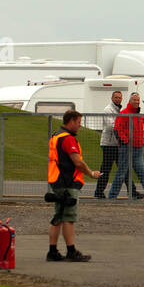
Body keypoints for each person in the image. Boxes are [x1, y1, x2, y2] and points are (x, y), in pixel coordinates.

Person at [46, 110, 100, 262]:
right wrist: (91, 173)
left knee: (58, 217)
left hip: (57, 180)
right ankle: (71, 251)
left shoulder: (56, 136)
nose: (79, 126)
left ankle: (52, 251)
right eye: (78, 122)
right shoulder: (68, 139)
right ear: (71, 121)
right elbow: (77, 162)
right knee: (68, 217)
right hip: (68, 182)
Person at [109, 92, 144, 200]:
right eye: (134, 100)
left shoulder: (139, 115)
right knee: (121, 173)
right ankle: (112, 196)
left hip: (138, 148)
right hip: (127, 148)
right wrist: (125, 141)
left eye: (138, 100)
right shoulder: (124, 113)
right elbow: (117, 129)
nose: (136, 102)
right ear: (130, 101)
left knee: (142, 173)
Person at [92, 90, 124, 199]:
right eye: (116, 97)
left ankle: (133, 192)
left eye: (119, 97)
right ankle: (99, 192)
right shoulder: (108, 110)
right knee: (106, 169)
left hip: (117, 144)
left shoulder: (120, 110)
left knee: (123, 168)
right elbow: (111, 125)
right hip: (108, 144)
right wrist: (122, 125)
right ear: (112, 98)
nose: (118, 99)